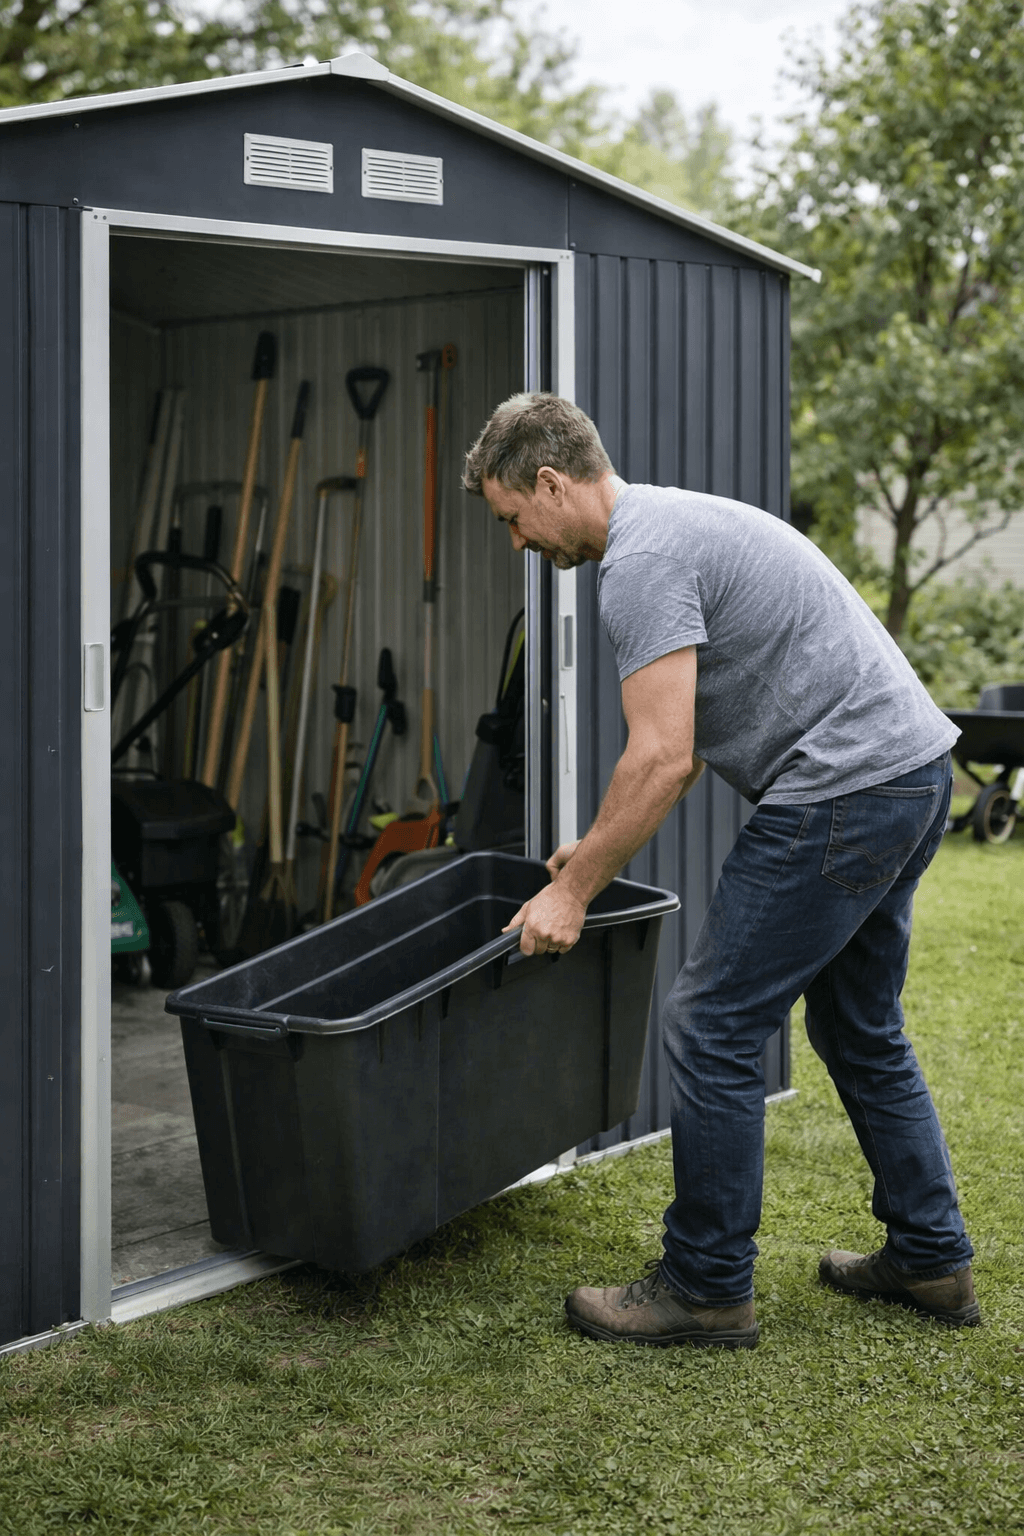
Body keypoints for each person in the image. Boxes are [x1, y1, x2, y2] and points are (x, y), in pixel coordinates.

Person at [462, 392, 979, 1349]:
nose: (518, 542)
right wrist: (596, 849)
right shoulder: (673, 526)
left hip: (847, 788)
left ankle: (705, 1288)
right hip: (910, 774)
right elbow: (684, 749)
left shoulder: (642, 563)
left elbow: (660, 754)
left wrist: (569, 894)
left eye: (512, 519)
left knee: (714, 1023)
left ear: (548, 482)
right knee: (861, 1026)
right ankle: (932, 1256)